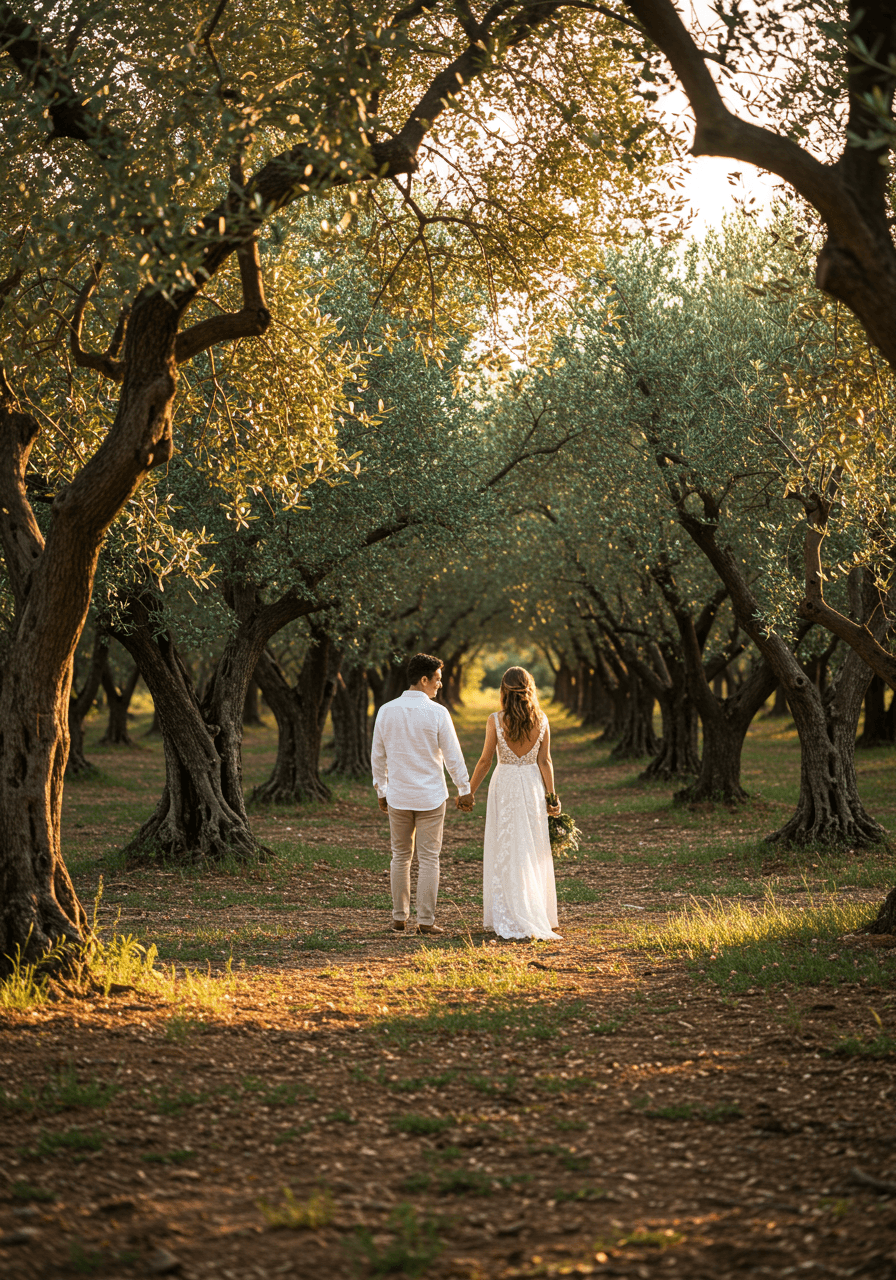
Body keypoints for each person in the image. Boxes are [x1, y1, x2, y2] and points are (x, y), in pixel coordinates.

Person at [371, 652, 474, 935]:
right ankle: (426, 921)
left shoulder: (386, 710)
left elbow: (377, 755)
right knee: (429, 858)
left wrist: (381, 789)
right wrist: (463, 789)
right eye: (437, 680)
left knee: (400, 856)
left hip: (399, 796)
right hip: (430, 796)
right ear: (424, 679)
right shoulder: (438, 713)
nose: (440, 685)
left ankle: (398, 917)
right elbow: (453, 755)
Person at [467, 666, 562, 941]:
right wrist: (551, 797)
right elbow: (545, 761)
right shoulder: (542, 719)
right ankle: (535, 908)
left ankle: (508, 910)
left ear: (503, 691)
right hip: (532, 783)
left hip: (505, 783)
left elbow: (485, 760)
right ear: (530, 688)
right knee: (531, 844)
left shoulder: (495, 720)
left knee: (506, 845)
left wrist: (469, 792)